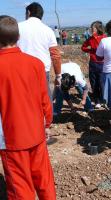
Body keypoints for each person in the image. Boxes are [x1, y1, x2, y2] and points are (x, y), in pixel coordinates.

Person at [0, 15, 56, 199]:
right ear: (18, 38)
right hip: (36, 131)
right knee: (44, 179)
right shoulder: (35, 63)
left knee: (19, 185)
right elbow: (44, 99)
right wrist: (47, 123)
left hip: (10, 137)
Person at [17, 2, 62, 99]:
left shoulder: (17, 27)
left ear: (28, 13)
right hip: (41, 71)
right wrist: (58, 75)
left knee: (23, 99)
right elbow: (55, 55)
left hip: (20, 70)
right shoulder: (48, 31)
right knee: (43, 99)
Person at [81, 21, 107, 109]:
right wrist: (91, 50)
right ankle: (97, 101)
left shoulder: (105, 38)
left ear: (98, 28)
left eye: (93, 28)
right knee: (94, 82)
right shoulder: (91, 39)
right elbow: (83, 47)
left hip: (103, 63)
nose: (91, 29)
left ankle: (104, 99)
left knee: (102, 82)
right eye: (91, 28)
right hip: (93, 63)